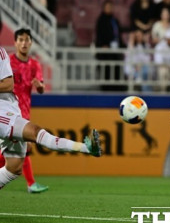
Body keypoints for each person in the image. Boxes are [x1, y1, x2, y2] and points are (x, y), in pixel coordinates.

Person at [0, 46, 102, 190]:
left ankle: (87, 148)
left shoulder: (1, 52)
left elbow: (7, 83)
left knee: (14, 167)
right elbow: (9, 84)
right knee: (35, 132)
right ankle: (87, 147)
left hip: (11, 107)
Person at [0, 28, 48, 193]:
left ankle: (30, 183)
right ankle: (31, 183)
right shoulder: (8, 61)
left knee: (21, 149)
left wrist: (40, 86)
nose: (24, 43)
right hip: (6, 110)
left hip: (24, 110)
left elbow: (41, 87)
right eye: (20, 39)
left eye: (27, 39)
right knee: (18, 149)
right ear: (15, 42)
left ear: (31, 42)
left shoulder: (35, 65)